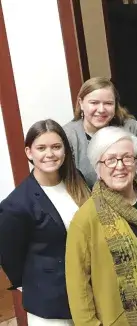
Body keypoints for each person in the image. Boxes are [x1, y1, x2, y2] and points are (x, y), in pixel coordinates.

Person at [65, 126, 137, 326]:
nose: (120, 166)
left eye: (127, 158)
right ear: (97, 166)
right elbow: (78, 286)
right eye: (110, 160)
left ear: (136, 163)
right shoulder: (86, 219)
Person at [0, 120, 90, 325]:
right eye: (41, 148)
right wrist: (32, 286)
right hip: (49, 302)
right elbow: (9, 256)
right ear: (29, 152)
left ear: (65, 150)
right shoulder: (16, 204)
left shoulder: (77, 181)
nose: (50, 154)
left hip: (87, 292)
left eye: (56, 147)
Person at [63, 77, 137, 187]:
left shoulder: (130, 127)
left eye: (108, 103)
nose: (101, 109)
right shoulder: (68, 135)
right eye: (94, 103)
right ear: (81, 103)